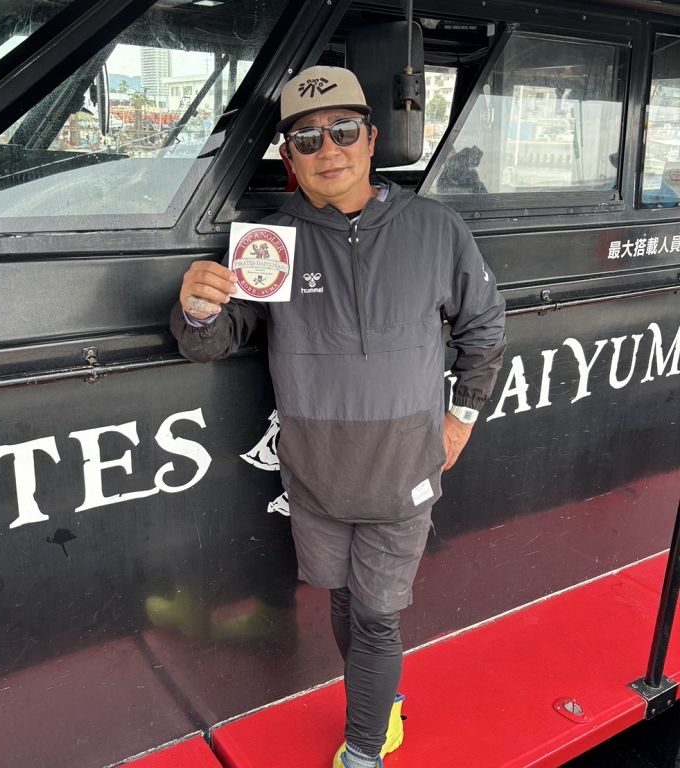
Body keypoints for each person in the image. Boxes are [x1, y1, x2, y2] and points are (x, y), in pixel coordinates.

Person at [170, 65, 506, 768]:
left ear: (372, 138)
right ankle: (380, 703)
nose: (329, 149)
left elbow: (484, 330)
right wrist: (197, 310)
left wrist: (460, 420)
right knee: (346, 602)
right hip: (316, 474)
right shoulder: (268, 241)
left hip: (403, 471)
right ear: (288, 157)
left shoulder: (435, 228)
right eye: (307, 138)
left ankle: (364, 749)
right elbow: (214, 341)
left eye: (344, 131)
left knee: (378, 616)